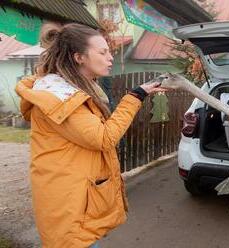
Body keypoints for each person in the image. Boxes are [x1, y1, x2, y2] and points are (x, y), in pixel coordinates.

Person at [15, 22, 167, 248]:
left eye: (110, 52)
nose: (110, 58)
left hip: (75, 200)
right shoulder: (60, 96)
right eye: (103, 52)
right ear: (79, 57)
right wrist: (136, 96)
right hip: (69, 206)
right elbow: (104, 138)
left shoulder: (69, 89)